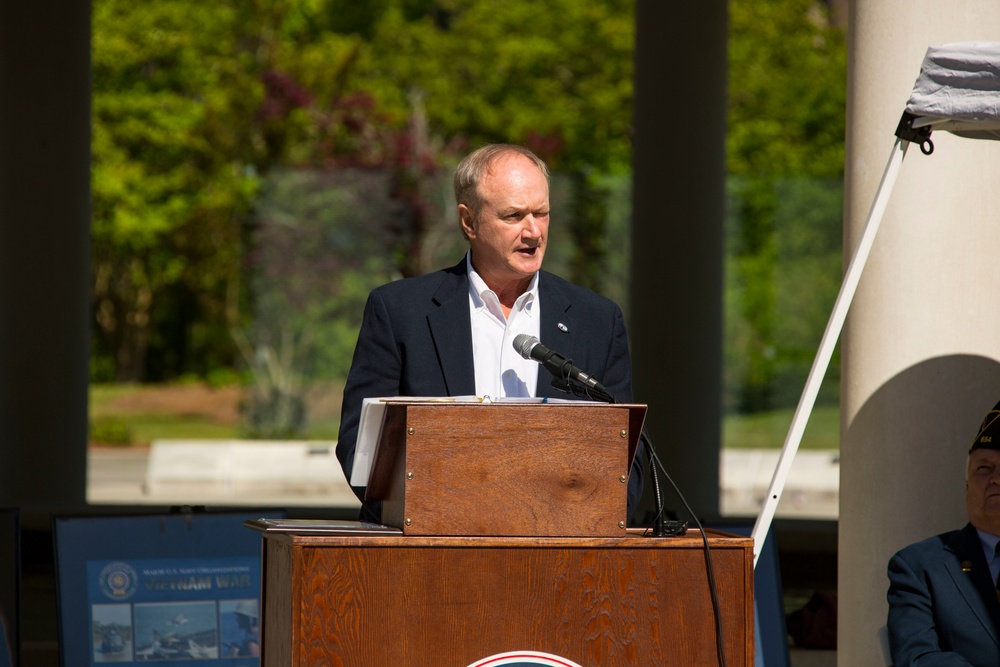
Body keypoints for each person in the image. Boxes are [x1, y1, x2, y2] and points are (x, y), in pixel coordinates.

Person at [335, 143, 643, 524]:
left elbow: (627, 459)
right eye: (514, 216)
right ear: (469, 221)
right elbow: (360, 449)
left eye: (542, 213)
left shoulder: (596, 320)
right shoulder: (400, 312)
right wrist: (436, 516)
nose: (533, 231)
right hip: (431, 553)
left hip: (557, 557)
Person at [886, 399, 1000, 666]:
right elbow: (917, 657)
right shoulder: (919, 567)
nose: (996, 478)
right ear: (967, 485)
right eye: (985, 468)